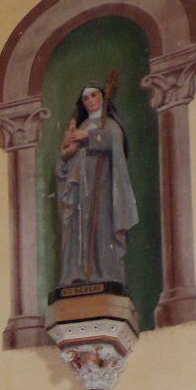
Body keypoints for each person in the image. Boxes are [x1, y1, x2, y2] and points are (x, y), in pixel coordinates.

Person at [55, 81, 138, 291]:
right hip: (81, 194)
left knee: (103, 232)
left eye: (93, 95)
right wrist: (67, 154)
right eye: (86, 98)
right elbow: (64, 164)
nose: (90, 101)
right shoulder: (80, 127)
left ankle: (106, 275)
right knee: (78, 234)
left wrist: (90, 136)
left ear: (102, 97)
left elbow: (115, 142)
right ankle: (78, 276)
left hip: (103, 193)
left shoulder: (108, 125)